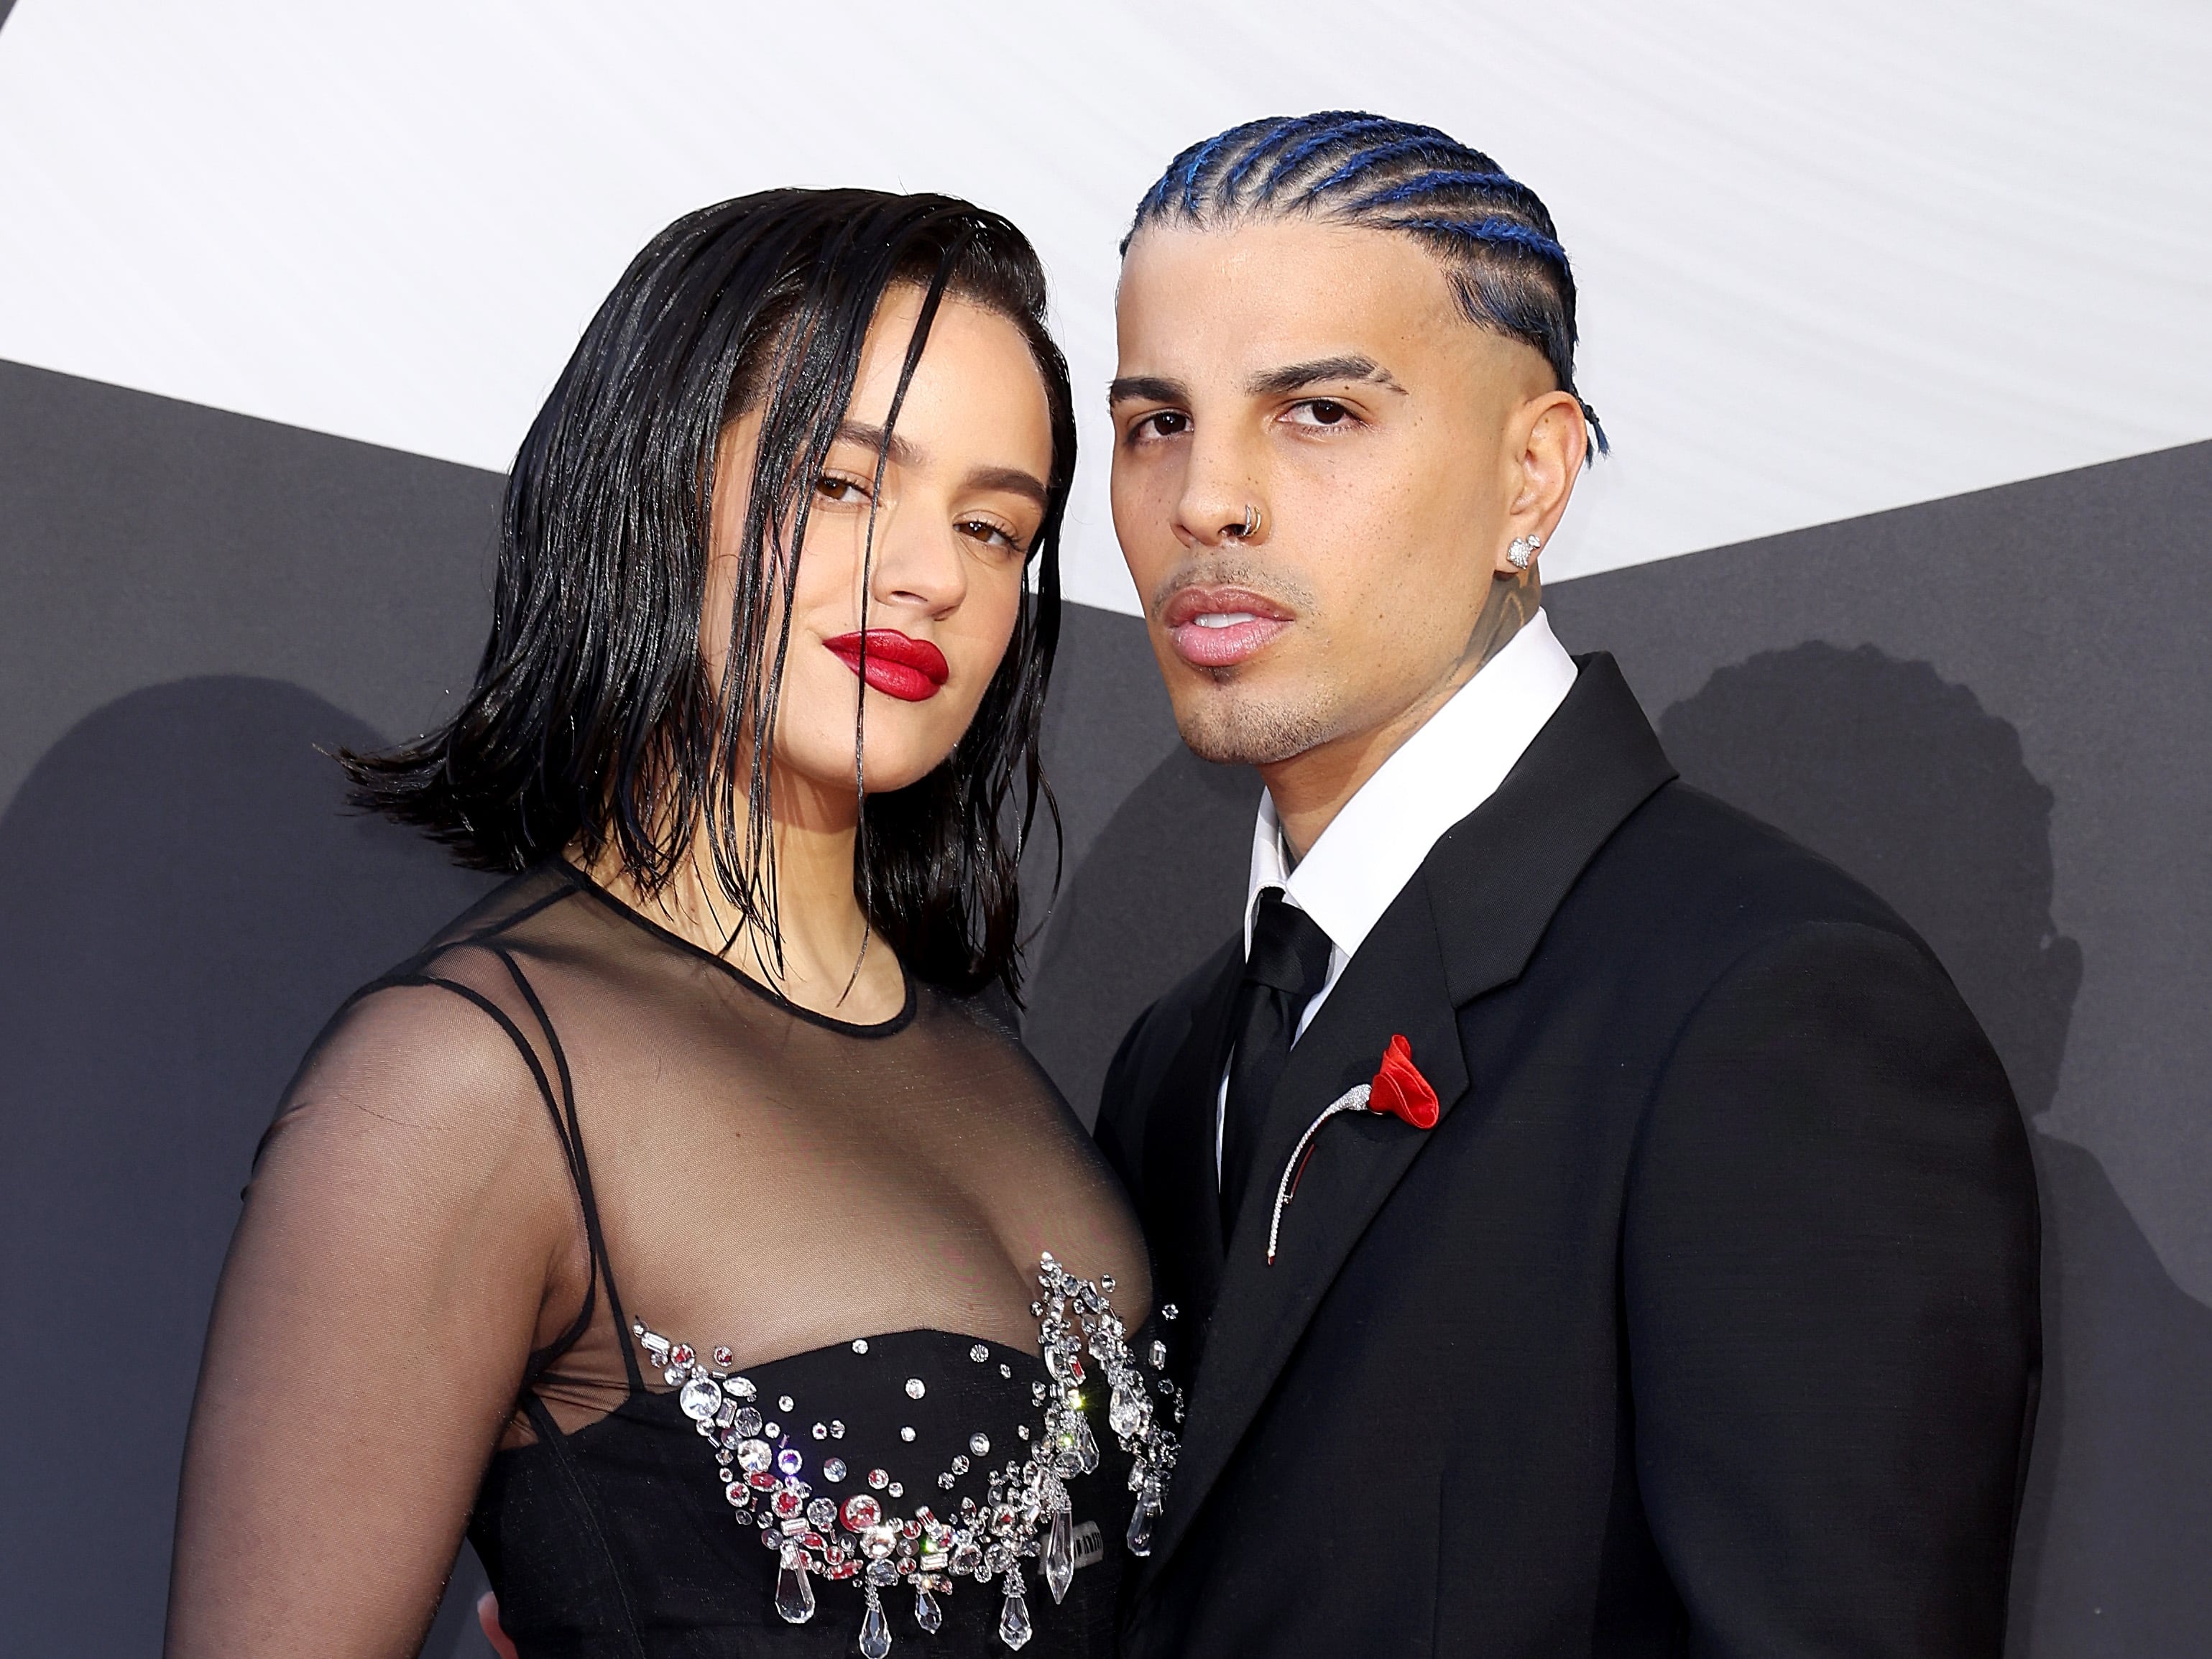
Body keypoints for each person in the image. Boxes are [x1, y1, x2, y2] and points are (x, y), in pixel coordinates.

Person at [166, 190, 1182, 1659]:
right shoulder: (472, 1080)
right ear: (652, 485)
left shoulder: (994, 1062)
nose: (931, 574)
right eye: (842, 484)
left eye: (993, 524)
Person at [1094, 112, 2041, 1657]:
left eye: (1318, 412)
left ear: (1534, 475)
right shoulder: (1173, 1055)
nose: (1209, 502)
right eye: (1156, 424)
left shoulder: (1771, 1018)